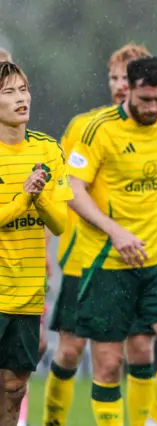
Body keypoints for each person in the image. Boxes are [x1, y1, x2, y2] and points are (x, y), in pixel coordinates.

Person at [43, 44, 157, 426]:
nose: (119, 86)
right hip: (90, 256)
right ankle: (52, 422)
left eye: (124, 78)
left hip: (150, 257)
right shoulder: (87, 127)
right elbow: (63, 188)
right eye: (115, 78)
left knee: (145, 348)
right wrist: (48, 243)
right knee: (74, 350)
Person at [0, 61, 73, 425]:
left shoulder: (48, 150)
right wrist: (22, 200)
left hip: (27, 294)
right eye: (9, 92)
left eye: (23, 90)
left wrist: (40, 197)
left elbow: (60, 224)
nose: (20, 99)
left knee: (14, 391)